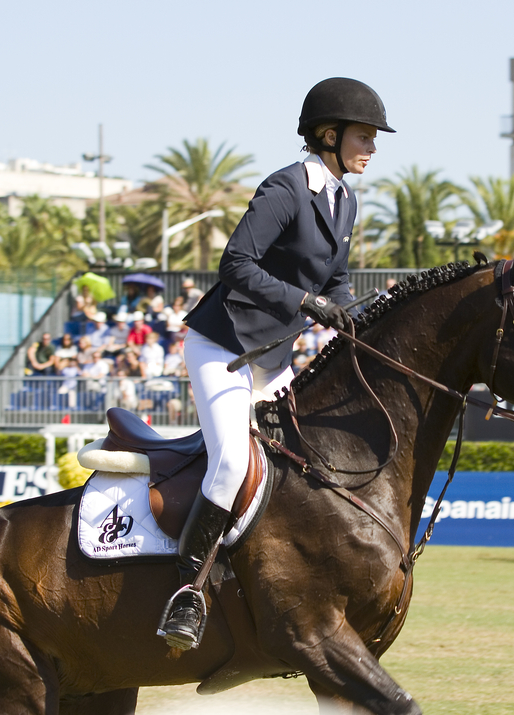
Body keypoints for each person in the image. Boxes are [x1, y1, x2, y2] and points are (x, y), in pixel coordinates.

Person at [158, 77, 393, 651]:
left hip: (271, 358)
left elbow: (333, 280)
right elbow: (235, 264)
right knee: (234, 463)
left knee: (301, 464)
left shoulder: (345, 199)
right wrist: (305, 304)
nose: (372, 147)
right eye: (364, 136)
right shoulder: (286, 188)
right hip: (224, 346)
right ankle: (185, 594)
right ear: (329, 135)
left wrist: (354, 316)